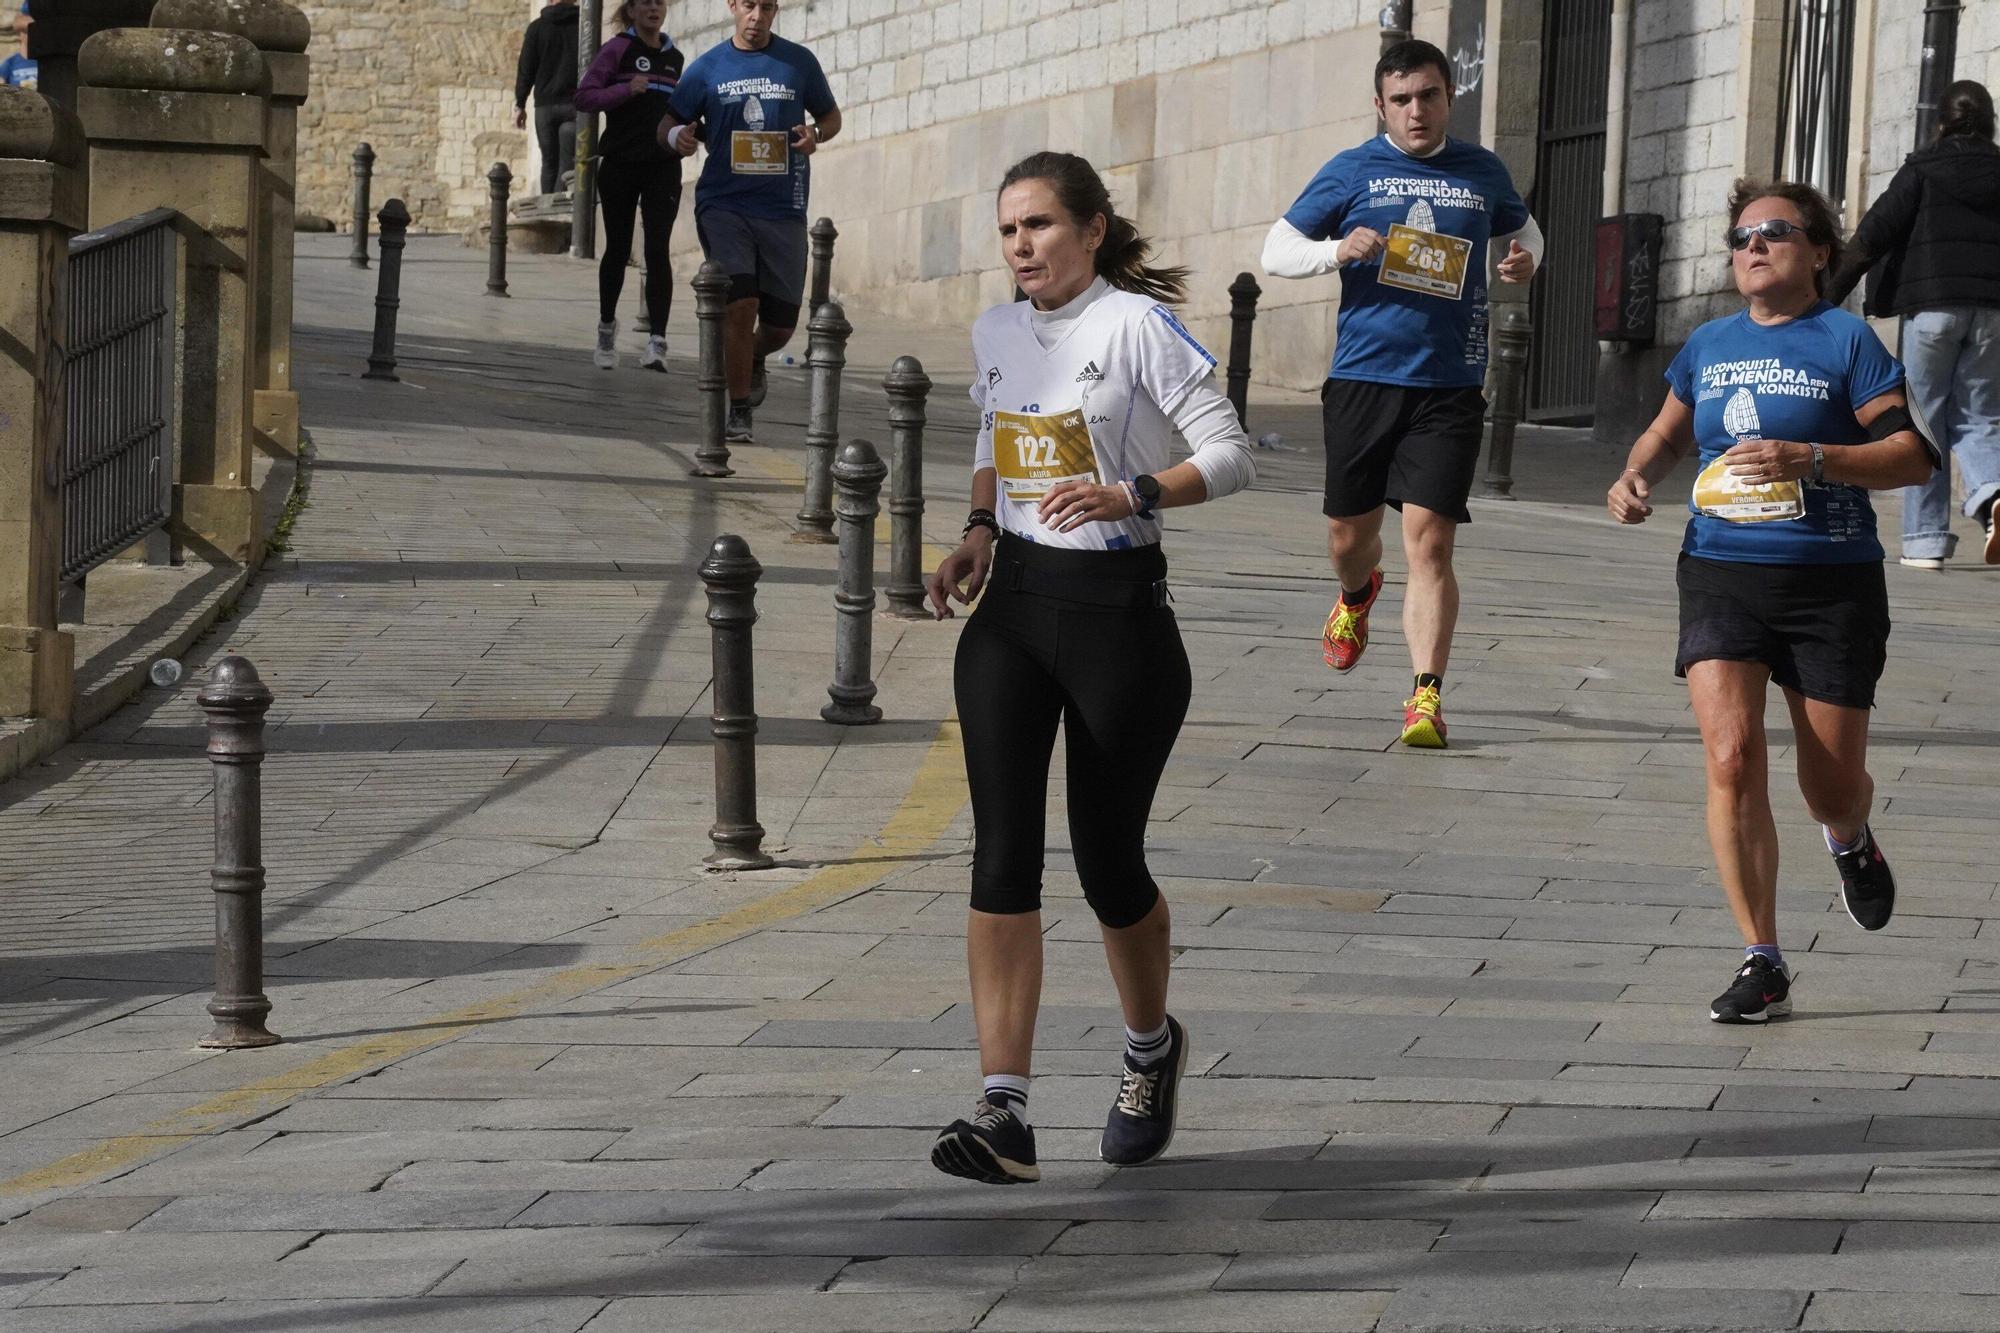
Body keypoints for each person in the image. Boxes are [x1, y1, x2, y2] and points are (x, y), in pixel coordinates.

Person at [923, 152, 1256, 1185]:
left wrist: (1132, 493)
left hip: (1119, 623)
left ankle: (1149, 1052)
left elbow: (1232, 452)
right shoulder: (994, 331)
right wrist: (979, 526)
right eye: (1008, 230)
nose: (1021, 246)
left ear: (1092, 230)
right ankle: (1004, 1111)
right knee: (999, 853)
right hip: (1013, 610)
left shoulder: (1136, 330)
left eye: (1039, 226)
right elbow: (994, 431)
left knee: (1108, 866)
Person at [1606, 180, 1937, 1025]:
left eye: (1776, 233)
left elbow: (1910, 456)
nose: (1753, 247)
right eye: (1742, 236)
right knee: (1730, 756)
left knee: (1828, 785)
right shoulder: (1709, 344)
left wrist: (1812, 457)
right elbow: (1670, 430)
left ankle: (1849, 837)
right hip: (1722, 566)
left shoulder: (1846, 339)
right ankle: (1764, 957)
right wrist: (1636, 472)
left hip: (1832, 581)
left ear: (1819, 252)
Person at [1261, 38, 1542, 749]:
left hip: (1448, 385)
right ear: (1381, 106)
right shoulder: (1354, 169)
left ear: (1450, 97)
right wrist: (1336, 250)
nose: (1417, 111)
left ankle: (1425, 697)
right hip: (1363, 377)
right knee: (1349, 537)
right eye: (1402, 99)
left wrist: (1523, 260)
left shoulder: (1481, 170)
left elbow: (1525, 231)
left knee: (1433, 544)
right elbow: (1276, 249)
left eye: (1429, 96)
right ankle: (1357, 594)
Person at [1828, 80, 2000, 569]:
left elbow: (1871, 236)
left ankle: (1925, 541)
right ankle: (1992, 496)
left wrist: (1822, 300)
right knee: (1981, 416)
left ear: (1941, 123)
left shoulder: (1922, 170)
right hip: (1992, 312)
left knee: (1925, 421)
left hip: (1930, 310)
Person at [659, 0, 838, 441]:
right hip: (724, 205)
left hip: (783, 208)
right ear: (733, 7)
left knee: (779, 327)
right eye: (748, 5)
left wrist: (814, 135)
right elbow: (669, 120)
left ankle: (753, 356)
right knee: (740, 305)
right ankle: (738, 408)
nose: (756, 16)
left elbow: (830, 118)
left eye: (766, 7)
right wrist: (674, 136)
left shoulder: (798, 62)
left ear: (775, 10)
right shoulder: (707, 68)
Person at [575, 0, 684, 372]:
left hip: (662, 167)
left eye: (660, 3)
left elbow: (679, 112)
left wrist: (687, 133)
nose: (654, 9)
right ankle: (607, 328)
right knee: (618, 250)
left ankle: (657, 341)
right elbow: (585, 96)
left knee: (657, 250)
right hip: (620, 164)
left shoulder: (676, 58)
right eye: (646, 3)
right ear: (633, 10)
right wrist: (625, 91)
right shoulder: (617, 49)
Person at [514, 0, 579, 196]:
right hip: (573, 104)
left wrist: (520, 103)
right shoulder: (585, 27)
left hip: (545, 107)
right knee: (567, 162)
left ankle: (547, 208)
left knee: (548, 162)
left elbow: (526, 68)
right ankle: (561, 207)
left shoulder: (537, 28)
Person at [1, 2, 35, 90]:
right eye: (25, 31)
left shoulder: (46, 62)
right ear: (19, 34)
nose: (30, 34)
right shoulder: (10, 62)